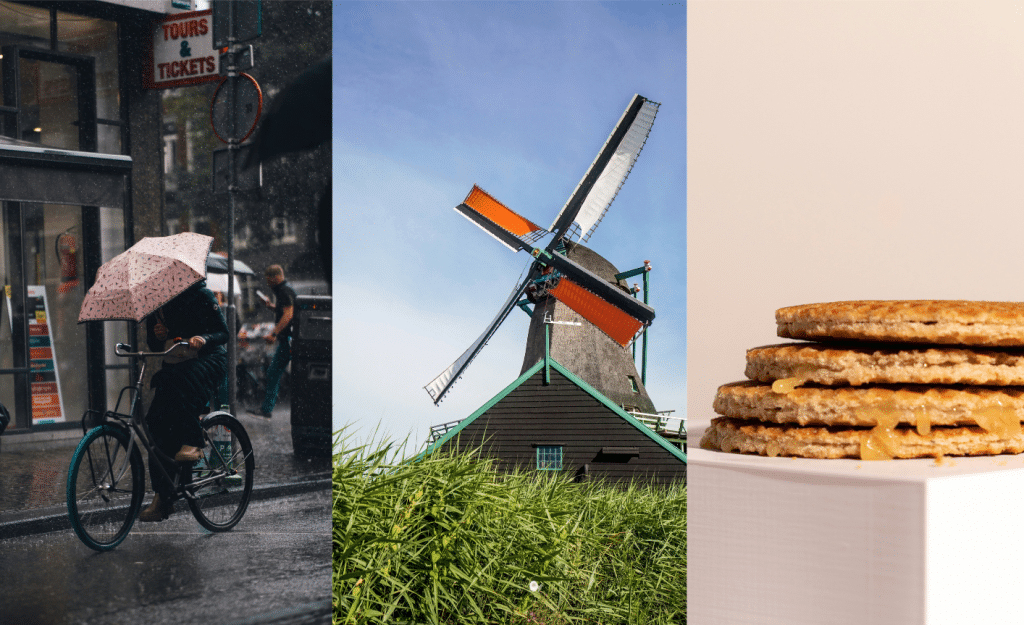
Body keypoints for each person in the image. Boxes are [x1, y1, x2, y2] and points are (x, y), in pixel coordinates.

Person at [138, 281, 229, 522]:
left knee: (181, 383)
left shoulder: (201, 295)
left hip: (209, 360)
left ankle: (193, 441)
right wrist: (158, 336)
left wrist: (204, 337)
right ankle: (162, 496)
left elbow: (223, 333)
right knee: (156, 423)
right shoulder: (155, 305)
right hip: (176, 363)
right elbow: (153, 343)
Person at [248, 264, 296, 418]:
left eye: (269, 281)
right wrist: (270, 306)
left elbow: (288, 314)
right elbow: (284, 311)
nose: (268, 284)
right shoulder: (284, 290)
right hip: (289, 339)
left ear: (276, 277)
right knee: (275, 372)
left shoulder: (284, 290)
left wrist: (274, 334)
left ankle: (267, 409)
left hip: (288, 339)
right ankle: (267, 408)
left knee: (274, 372)